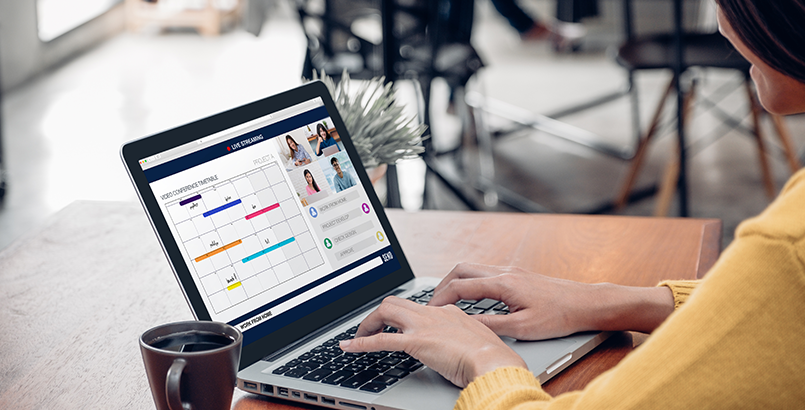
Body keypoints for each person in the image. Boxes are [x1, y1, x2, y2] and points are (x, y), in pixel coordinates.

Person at [341, 0, 805, 407]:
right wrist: (606, 302)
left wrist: (479, 356)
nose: (723, 22)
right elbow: (782, 314)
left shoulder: (788, 242)